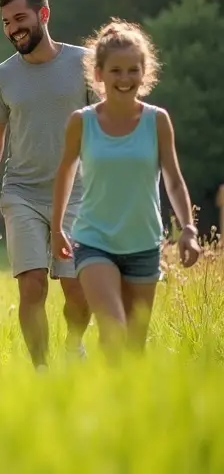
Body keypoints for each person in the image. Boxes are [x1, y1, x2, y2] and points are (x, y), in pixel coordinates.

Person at [51, 19, 200, 358]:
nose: (125, 78)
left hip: (143, 244)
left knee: (134, 345)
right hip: (94, 241)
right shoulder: (82, 121)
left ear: (145, 73)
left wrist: (188, 229)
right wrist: (57, 227)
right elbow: (65, 172)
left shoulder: (157, 120)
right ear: (99, 74)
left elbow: (174, 179)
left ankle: (115, 402)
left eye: (133, 70)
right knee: (113, 327)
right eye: (116, 70)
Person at [0, 0, 97, 370]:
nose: (13, 28)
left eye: (20, 18)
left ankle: (73, 344)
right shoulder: (2, 76)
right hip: (22, 193)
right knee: (31, 284)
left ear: (43, 15)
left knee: (77, 289)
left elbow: (105, 126)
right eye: (7, 22)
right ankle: (41, 370)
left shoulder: (85, 63)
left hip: (79, 193)